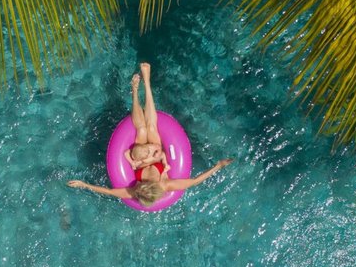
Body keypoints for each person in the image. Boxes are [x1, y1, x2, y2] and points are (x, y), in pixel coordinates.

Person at [67, 63, 235, 207]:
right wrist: (218, 166)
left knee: (141, 130)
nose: (137, 185)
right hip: (156, 152)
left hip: (140, 153)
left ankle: (134, 92)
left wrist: (84, 185)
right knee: (152, 128)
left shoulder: (134, 191)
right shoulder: (166, 184)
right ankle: (146, 81)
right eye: (141, 185)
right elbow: (195, 181)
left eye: (138, 187)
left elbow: (110, 191)